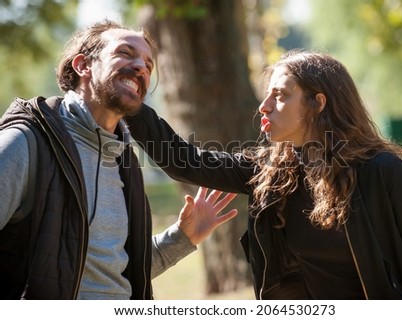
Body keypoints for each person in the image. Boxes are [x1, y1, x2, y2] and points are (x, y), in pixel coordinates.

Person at [125, 49, 402, 299]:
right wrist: (133, 106)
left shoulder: (380, 171)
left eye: (279, 95)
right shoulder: (270, 173)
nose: (263, 106)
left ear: (317, 103)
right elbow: (185, 161)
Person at [0, 20, 238, 300]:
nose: (141, 67)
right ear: (82, 65)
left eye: (149, 65)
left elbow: (115, 274)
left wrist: (181, 239)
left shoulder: (124, 160)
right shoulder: (25, 143)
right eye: (125, 53)